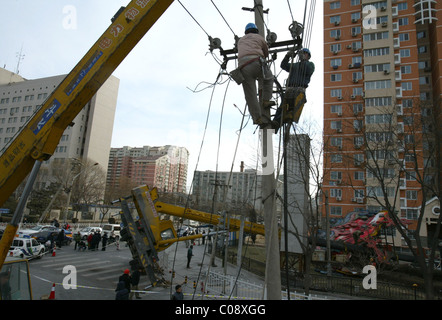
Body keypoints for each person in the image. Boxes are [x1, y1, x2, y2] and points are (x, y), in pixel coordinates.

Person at [237, 23, 276, 128]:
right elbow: (266, 53)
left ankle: (257, 118)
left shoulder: (240, 41)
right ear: (256, 30)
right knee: (268, 78)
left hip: (243, 67)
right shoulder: (259, 37)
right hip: (256, 62)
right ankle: (265, 100)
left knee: (250, 95)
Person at [273, 48, 315, 126]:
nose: (302, 55)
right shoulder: (295, 65)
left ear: (308, 56)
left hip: (300, 90)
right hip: (289, 90)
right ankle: (271, 130)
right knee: (281, 110)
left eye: (305, 53)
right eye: (302, 53)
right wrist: (287, 56)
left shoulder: (310, 65)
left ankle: (286, 124)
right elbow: (283, 65)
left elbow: (308, 70)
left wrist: (303, 60)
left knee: (292, 113)